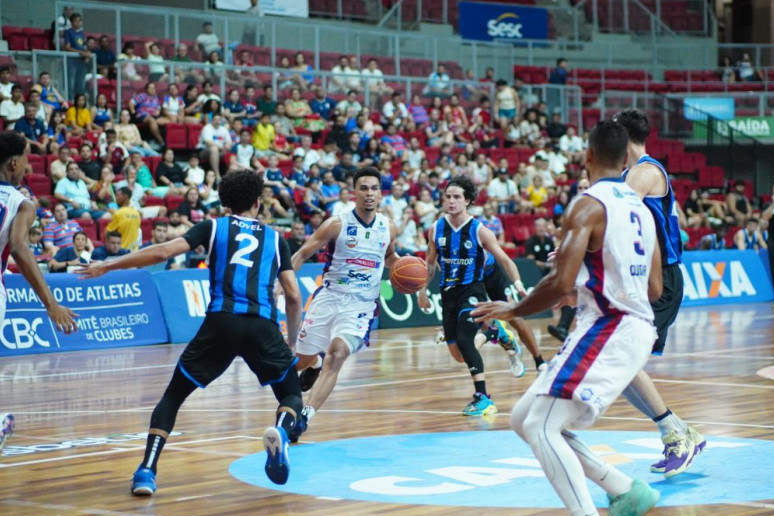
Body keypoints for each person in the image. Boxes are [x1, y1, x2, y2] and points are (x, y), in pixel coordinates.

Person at [471, 119, 662, 516]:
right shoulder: (643, 210)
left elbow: (559, 282)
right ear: (626, 158)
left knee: (540, 425)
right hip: (631, 325)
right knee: (523, 418)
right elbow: (653, 288)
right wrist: (589, 285)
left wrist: (513, 308)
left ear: (589, 156)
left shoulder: (587, 204)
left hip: (609, 327)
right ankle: (624, 488)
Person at [76, 169, 304, 493]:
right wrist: (291, 344)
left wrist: (107, 265)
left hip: (220, 323)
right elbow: (293, 296)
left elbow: (162, 252)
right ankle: (281, 431)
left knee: (173, 397)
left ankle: (146, 471)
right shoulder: (276, 239)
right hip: (261, 325)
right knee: (292, 394)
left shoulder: (213, 227)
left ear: (225, 203)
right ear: (258, 202)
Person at [615, 108, 705, 477]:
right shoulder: (629, 174)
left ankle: (675, 435)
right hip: (641, 275)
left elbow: (612, 212)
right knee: (620, 369)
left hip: (661, 279)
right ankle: (681, 432)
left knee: (622, 359)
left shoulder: (647, 172)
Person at [287, 167, 399, 442]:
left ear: (380, 193)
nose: (369, 193)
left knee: (337, 353)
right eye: (364, 188)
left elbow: (391, 257)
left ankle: (304, 418)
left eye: (374, 188)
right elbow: (302, 253)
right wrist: (283, 282)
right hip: (329, 298)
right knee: (296, 364)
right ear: (354, 193)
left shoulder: (388, 227)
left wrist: (412, 276)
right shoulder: (336, 224)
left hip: (361, 305)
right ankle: (312, 362)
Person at [418, 175, 527, 416]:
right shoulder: (436, 228)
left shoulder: (479, 230)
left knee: (466, 341)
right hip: (447, 294)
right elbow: (430, 263)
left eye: (457, 197)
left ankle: (483, 398)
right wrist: (422, 290)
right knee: (458, 355)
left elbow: (504, 259)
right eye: (448, 197)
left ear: (467, 201)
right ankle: (494, 332)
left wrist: (518, 282)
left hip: (472, 292)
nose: (452, 201)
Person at [0, 132, 78, 450]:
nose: (30, 168)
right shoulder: (21, 202)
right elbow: (19, 246)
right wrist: (50, 303)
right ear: (15, 162)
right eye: (29, 159)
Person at [476, 251, 547, 376]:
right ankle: (511, 348)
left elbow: (506, 260)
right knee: (484, 322)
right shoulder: (442, 235)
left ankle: (539, 362)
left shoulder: (481, 233)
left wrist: (517, 283)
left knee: (514, 315)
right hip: (469, 279)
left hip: (491, 274)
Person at [62, 13, 91, 98]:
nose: (78, 23)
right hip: (72, 61)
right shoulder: (68, 32)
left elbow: (84, 47)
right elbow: (67, 47)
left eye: (80, 21)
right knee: (71, 83)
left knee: (81, 83)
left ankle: (80, 101)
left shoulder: (81, 34)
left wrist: (87, 53)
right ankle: (70, 100)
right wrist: (80, 52)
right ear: (71, 22)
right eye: (76, 21)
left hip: (81, 62)